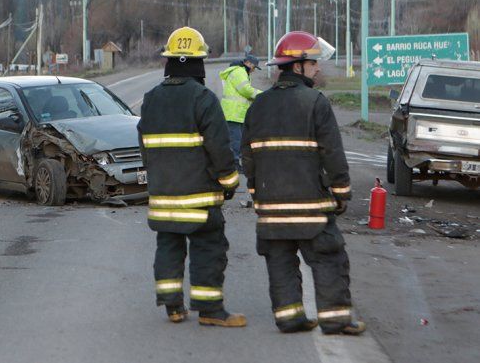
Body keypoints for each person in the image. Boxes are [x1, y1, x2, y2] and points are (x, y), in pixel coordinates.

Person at [241, 31, 365, 335]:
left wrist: (257, 194)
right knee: (329, 259)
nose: (317, 68)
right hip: (311, 207)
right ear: (297, 66)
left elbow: (248, 155)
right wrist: (341, 191)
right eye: (312, 63)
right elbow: (332, 152)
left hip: (270, 208)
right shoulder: (315, 103)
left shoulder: (258, 105)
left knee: (279, 261)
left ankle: (290, 317)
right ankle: (335, 319)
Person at [138, 27, 246, 327]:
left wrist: (157, 177)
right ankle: (210, 310)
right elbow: (220, 148)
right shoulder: (204, 98)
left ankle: (173, 307)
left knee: (168, 246)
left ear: (169, 61)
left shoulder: (150, 99)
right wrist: (229, 182)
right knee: (208, 247)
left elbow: (144, 147)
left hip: (163, 197)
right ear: (199, 62)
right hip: (200, 199)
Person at [219, 54, 262, 169]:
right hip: (233, 112)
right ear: (248, 63)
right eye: (254, 67)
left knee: (239, 139)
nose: (253, 70)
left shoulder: (241, 72)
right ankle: (234, 164)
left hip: (236, 113)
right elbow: (246, 90)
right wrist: (262, 95)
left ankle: (236, 162)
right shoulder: (239, 72)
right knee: (236, 140)